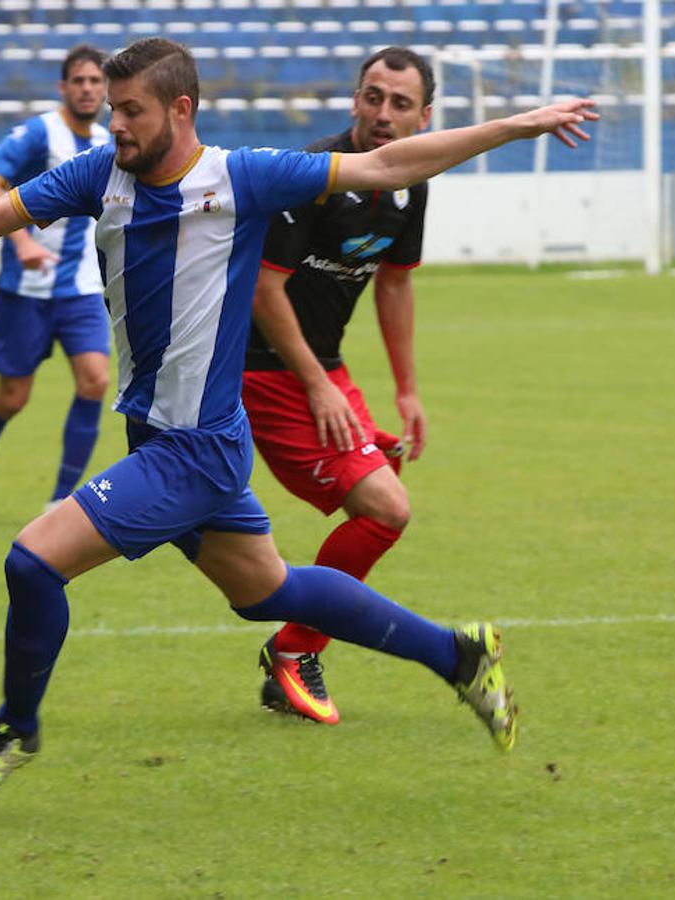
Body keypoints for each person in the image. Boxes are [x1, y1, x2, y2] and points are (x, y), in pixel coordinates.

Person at [0, 38, 595, 793]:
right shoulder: (99, 174)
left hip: (195, 451)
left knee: (33, 561)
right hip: (165, 437)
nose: (118, 127)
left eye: (132, 111)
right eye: (112, 111)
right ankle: (458, 654)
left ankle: (16, 726)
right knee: (271, 592)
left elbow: (388, 166)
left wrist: (515, 125)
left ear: (181, 109)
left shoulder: (243, 177)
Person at [245, 47, 438, 725]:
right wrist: (319, 387)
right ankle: (294, 650)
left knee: (384, 475)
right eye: (373, 97)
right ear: (355, 99)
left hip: (318, 365)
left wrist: (406, 390)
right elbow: (265, 292)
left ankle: (293, 646)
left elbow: (395, 281)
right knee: (386, 508)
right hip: (259, 368)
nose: (383, 114)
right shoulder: (313, 177)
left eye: (399, 103)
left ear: (425, 116)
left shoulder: (412, 183)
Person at [0, 45, 113, 524]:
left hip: (80, 288)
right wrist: (22, 244)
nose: (87, 89)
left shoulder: (107, 140)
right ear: (63, 88)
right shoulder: (41, 132)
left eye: (95, 81)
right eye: (78, 81)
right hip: (27, 289)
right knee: (12, 398)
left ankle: (59, 502)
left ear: (105, 89)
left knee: (96, 381)